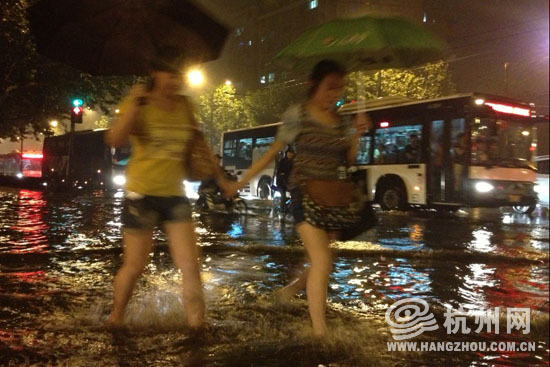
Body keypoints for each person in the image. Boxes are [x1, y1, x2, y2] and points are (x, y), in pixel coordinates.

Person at [225, 60, 371, 338]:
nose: (335, 94)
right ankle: (320, 333)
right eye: (330, 88)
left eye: (339, 89)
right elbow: (272, 152)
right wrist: (240, 183)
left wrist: (357, 133)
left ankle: (290, 291)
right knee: (322, 261)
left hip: (332, 200)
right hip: (304, 194)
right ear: (313, 84)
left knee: (319, 259)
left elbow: (349, 159)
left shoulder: (341, 121)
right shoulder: (299, 115)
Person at [104, 49, 226, 330]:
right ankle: (116, 318)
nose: (175, 81)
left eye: (180, 75)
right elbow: (114, 138)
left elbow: (200, 144)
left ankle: (197, 327)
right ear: (155, 74)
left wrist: (221, 179)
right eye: (170, 74)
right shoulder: (140, 103)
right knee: (134, 266)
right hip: (141, 194)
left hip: (174, 195)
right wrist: (134, 103)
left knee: (190, 266)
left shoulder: (185, 105)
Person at [274, 148, 295, 213]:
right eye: (289, 153)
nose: (290, 155)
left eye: (291, 153)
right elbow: (279, 172)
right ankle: (282, 211)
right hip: (282, 182)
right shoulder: (282, 161)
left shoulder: (294, 162)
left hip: (290, 182)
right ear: (286, 154)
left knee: (295, 195)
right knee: (283, 196)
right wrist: (283, 174)